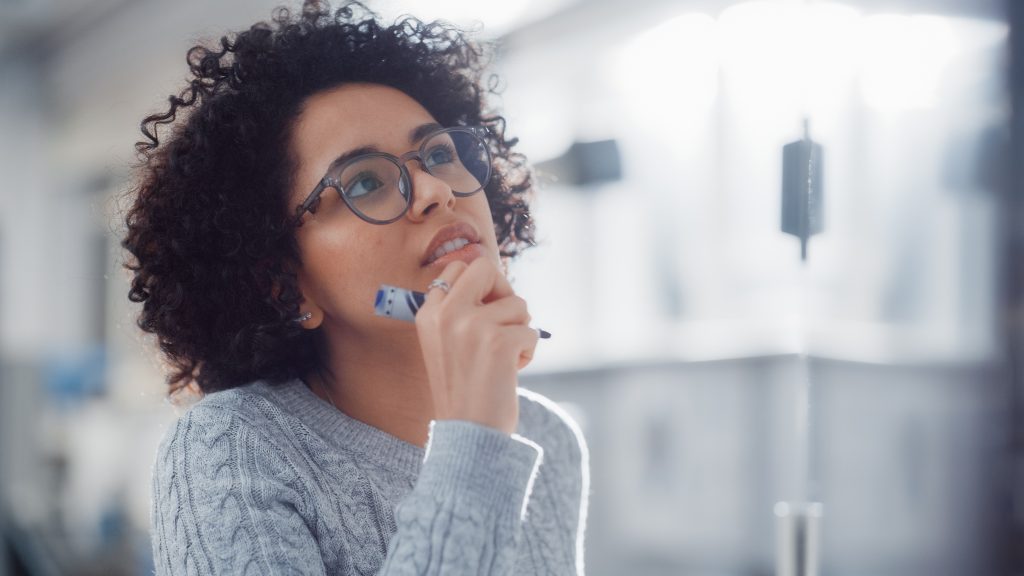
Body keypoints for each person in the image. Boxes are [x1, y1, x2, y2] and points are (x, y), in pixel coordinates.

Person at [120, 0, 590, 574]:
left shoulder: (547, 439)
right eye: (364, 182)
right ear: (284, 285)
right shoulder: (233, 449)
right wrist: (474, 444)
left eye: (439, 154)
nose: (435, 190)